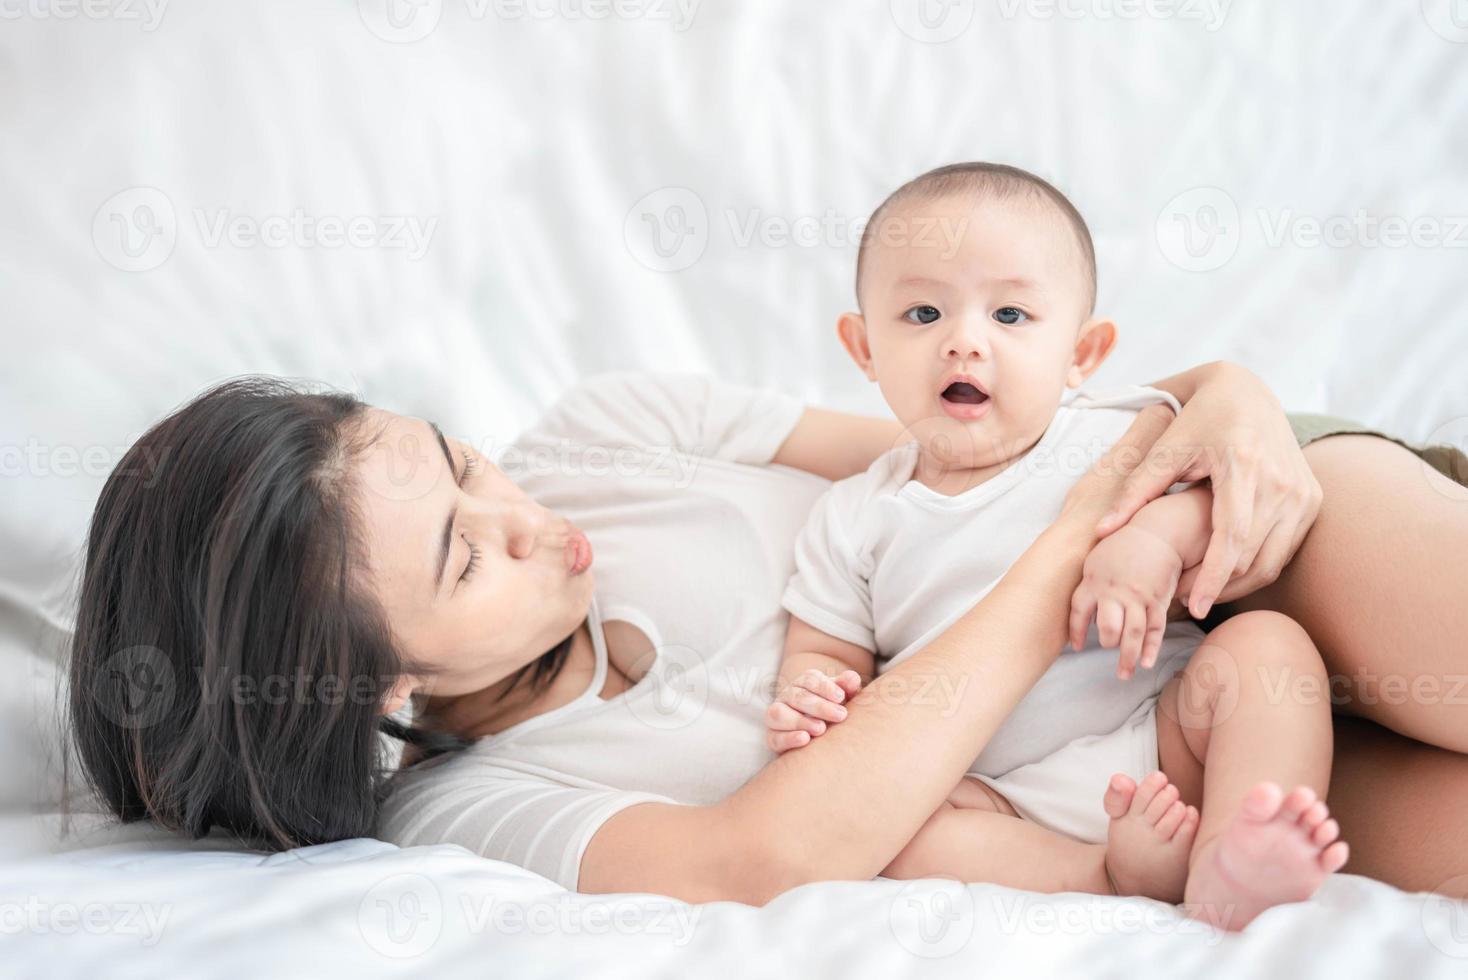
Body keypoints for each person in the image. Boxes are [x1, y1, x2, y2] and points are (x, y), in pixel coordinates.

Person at [67, 359, 1468, 909]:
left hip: (1222, 535)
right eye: (463, 555)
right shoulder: (478, 808)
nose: (525, 516)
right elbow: (770, 855)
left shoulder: (604, 436)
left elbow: (993, 445)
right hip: (1196, 761)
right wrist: (1067, 557)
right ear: (372, 680)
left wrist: (1206, 397)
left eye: (462, 463)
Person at [769, 163, 1345, 929]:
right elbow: (827, 649)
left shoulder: (1110, 438)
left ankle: (1230, 849)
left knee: (1268, 649)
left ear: (1083, 354)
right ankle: (1109, 875)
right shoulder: (853, 514)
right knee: (894, 834)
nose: (963, 342)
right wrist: (812, 694)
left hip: (1164, 733)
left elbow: (1224, 512)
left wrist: (1157, 538)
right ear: (863, 346)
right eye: (921, 314)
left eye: (1009, 315)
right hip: (997, 793)